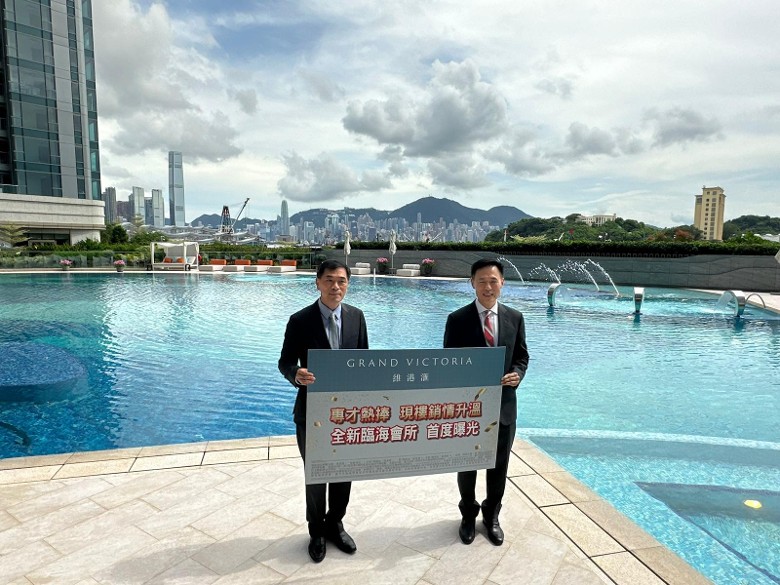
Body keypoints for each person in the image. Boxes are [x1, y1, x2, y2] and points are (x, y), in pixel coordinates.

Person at [278, 259, 369, 563]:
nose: (335, 286)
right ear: (317, 283)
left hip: (347, 412)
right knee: (316, 474)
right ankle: (316, 531)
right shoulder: (300, 320)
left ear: (348, 284)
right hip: (312, 411)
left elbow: (364, 362)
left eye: (341, 281)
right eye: (329, 280)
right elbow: (285, 362)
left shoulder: (357, 317)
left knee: (344, 470)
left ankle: (336, 524)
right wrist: (296, 374)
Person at [443, 258, 529, 546]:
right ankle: (468, 514)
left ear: (502, 283)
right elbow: (448, 363)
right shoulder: (457, 319)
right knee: (467, 464)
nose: (488, 287)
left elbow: (522, 356)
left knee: (498, 465)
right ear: (472, 283)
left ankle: (491, 515)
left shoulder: (515, 318)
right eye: (482, 281)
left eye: (493, 281)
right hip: (469, 408)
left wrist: (517, 374)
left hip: (503, 407)